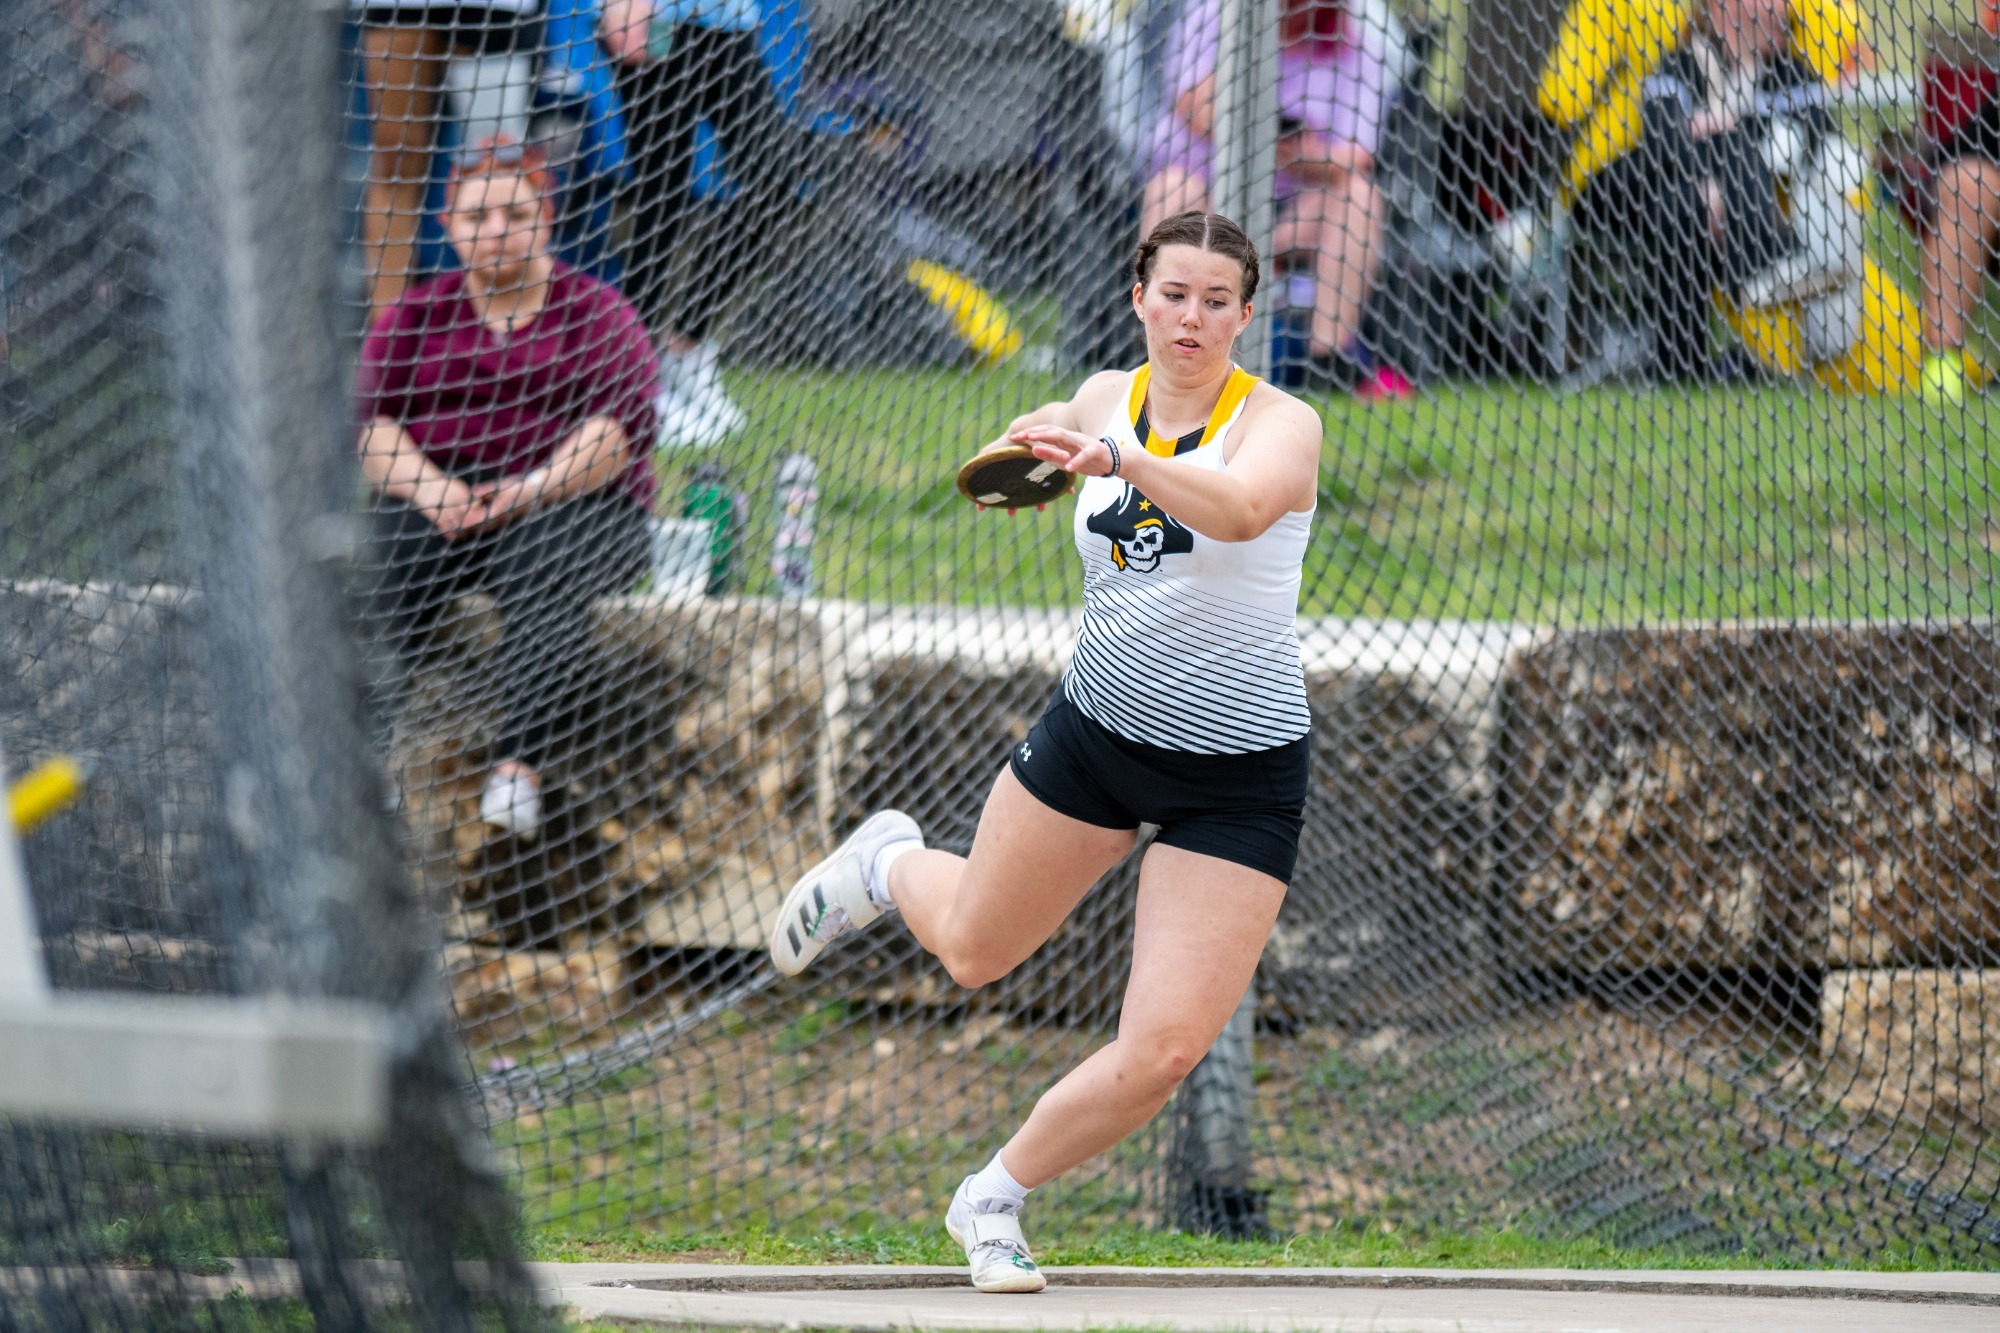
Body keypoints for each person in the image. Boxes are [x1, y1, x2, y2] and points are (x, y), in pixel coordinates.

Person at [767, 211, 1321, 1294]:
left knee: (1163, 1051)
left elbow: (1244, 509)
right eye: (1173, 294)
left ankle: (991, 1198)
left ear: (1245, 315)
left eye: (1216, 301)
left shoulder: (1279, 423)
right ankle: (885, 864)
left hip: (1239, 777)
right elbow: (1046, 440)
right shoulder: (1101, 396)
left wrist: (1120, 459)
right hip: (1096, 735)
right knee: (972, 951)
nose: (1192, 318)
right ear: (1138, 298)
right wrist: (1035, 448)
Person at [355, 136, 660, 837]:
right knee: (382, 557)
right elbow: (371, 427)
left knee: (547, 560)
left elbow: (619, 431)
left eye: (516, 215)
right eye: (477, 217)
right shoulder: (414, 316)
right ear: (448, 226)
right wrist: (432, 491)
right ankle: (368, 767)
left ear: (546, 218)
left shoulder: (599, 311)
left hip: (571, 502)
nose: (496, 231)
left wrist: (531, 489)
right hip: (442, 497)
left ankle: (517, 772)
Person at [1144, 0, 1412, 398]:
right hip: (1211, 203)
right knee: (1173, 187)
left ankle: (1327, 362)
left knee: (1360, 195)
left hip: (1294, 208)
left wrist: (1301, 152)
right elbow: (1193, 104)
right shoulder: (1217, 12)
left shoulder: (1354, 44)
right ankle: (1159, 347)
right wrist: (1260, 130)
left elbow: (1358, 157)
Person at [599, 0, 791, 447]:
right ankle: (638, 381)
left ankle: (686, 348)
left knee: (774, 182)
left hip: (727, 22)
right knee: (661, 201)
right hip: (654, 20)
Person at [351, 1, 546, 321]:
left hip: (495, 6)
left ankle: (503, 327)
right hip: (398, 5)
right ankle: (389, 335)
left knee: (496, 163)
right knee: (396, 166)